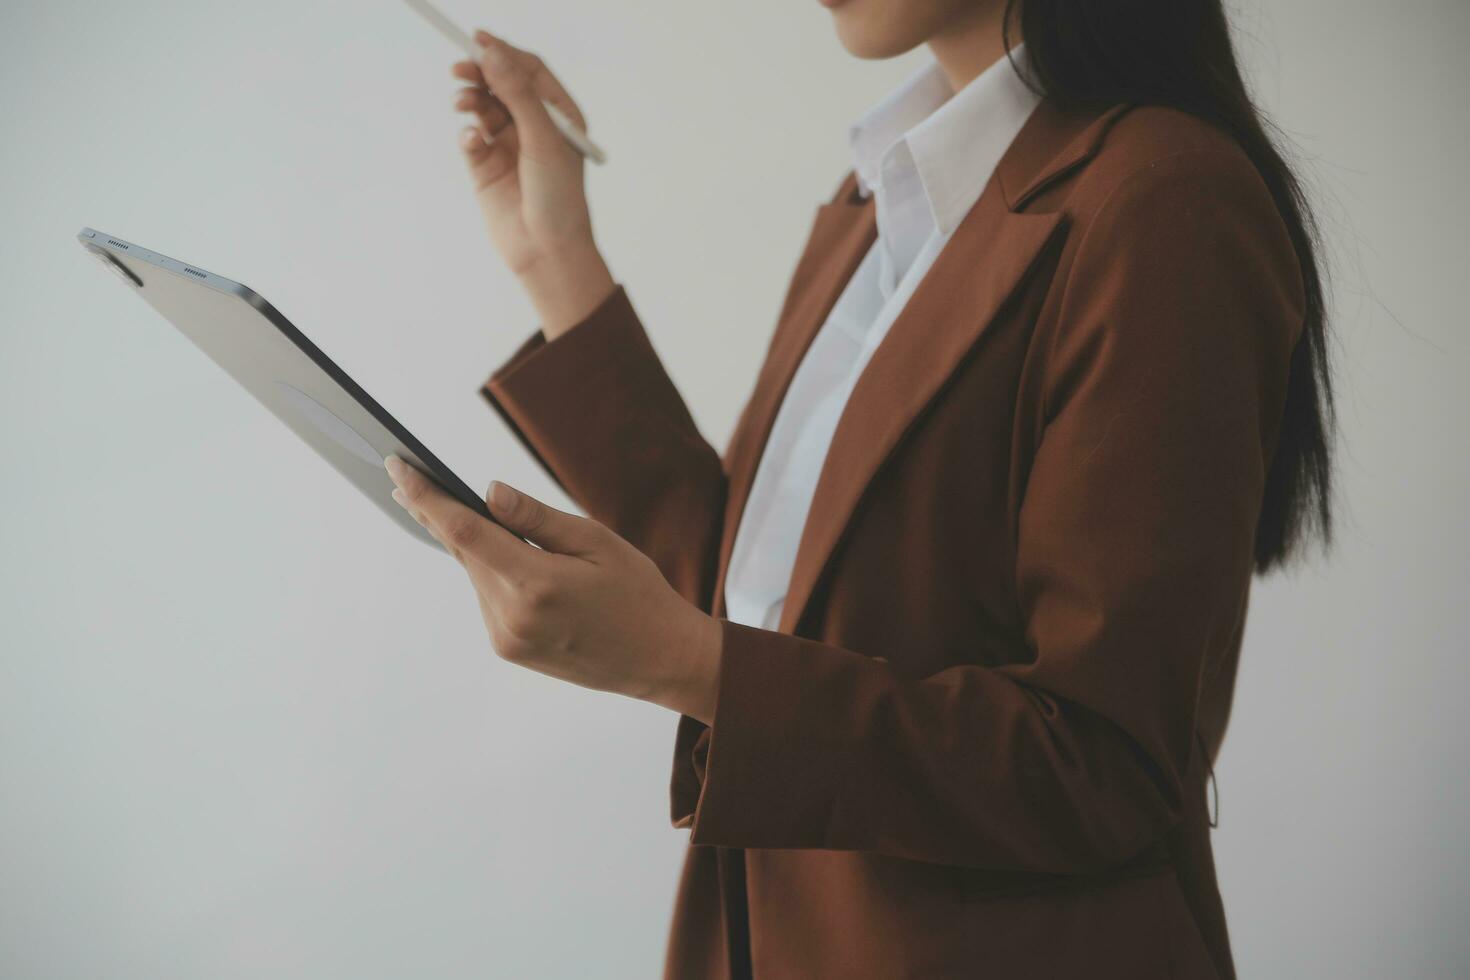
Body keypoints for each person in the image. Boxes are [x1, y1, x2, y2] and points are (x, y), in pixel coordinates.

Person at [383, 0, 1337, 976]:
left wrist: (688, 663)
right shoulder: (891, 187)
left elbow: (1102, 764)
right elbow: (764, 594)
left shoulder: (1165, 198)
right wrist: (555, 255)